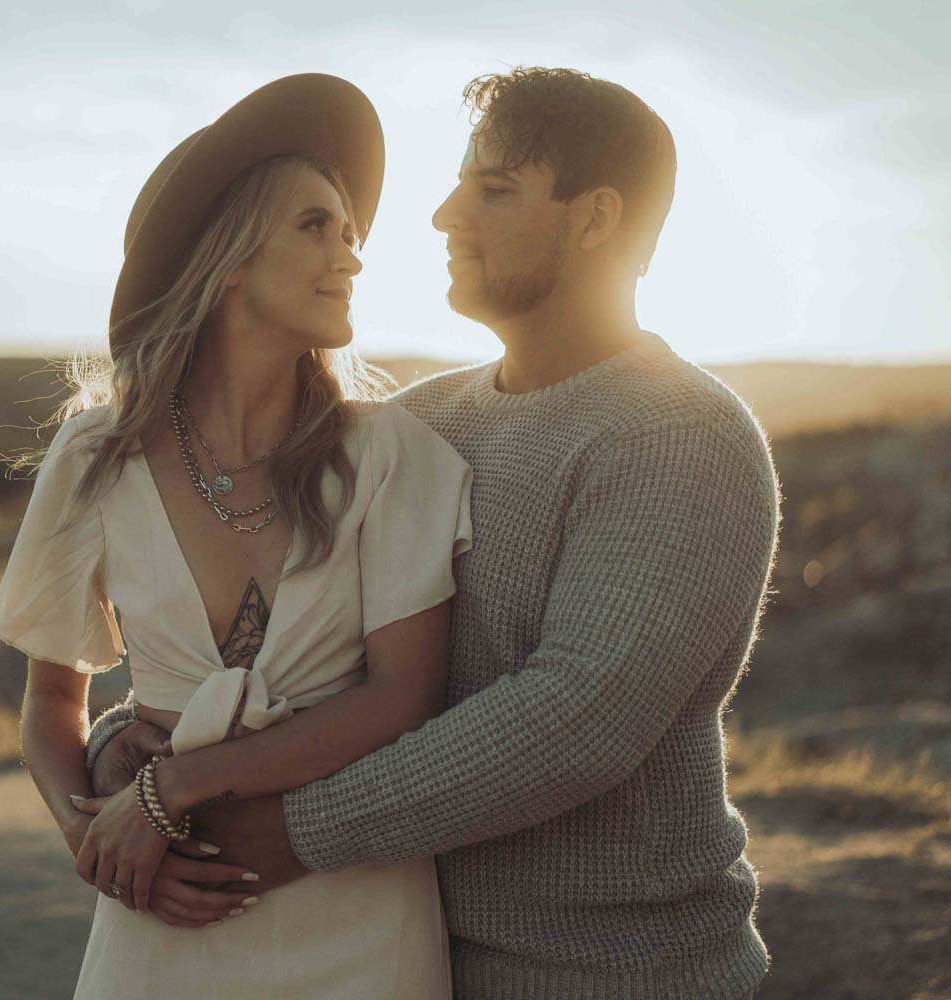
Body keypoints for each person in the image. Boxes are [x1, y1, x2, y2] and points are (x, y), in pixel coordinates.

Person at [86, 67, 780, 999]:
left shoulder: (677, 435)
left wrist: (292, 830)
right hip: (403, 956)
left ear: (598, 218)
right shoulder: (418, 426)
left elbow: (574, 719)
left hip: (615, 973)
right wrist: (140, 733)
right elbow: (294, 644)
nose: (445, 215)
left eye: (493, 190)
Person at [0, 73, 472, 998]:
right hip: (162, 899)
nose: (351, 258)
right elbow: (53, 699)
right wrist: (98, 840)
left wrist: (174, 789)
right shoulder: (95, 456)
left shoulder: (388, 457)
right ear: (232, 256)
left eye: (352, 234)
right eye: (315, 227)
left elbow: (402, 696)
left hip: (357, 910)